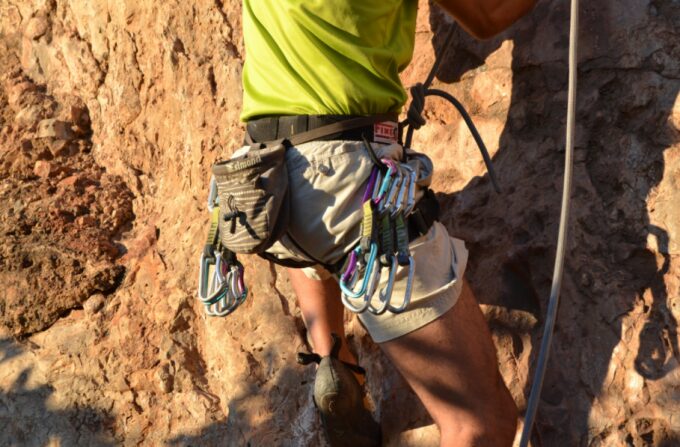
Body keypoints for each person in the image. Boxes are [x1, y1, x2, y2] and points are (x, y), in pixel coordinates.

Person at [239, 1, 536, 445]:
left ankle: (334, 364)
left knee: (320, 236)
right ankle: (336, 367)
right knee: (481, 423)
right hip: (345, 174)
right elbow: (486, 16)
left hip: (269, 177)